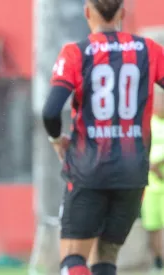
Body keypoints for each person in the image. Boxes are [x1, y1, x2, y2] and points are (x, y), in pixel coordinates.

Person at [41, 0, 164, 274]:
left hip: (89, 168)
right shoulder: (149, 50)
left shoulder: (76, 52)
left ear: (87, 12)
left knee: (73, 259)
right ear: (122, 12)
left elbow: (50, 111)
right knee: (106, 258)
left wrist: (56, 139)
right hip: (133, 173)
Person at [141, 86, 164, 272]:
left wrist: (159, 163)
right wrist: (151, 166)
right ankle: (157, 262)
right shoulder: (148, 123)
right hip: (150, 185)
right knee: (152, 226)